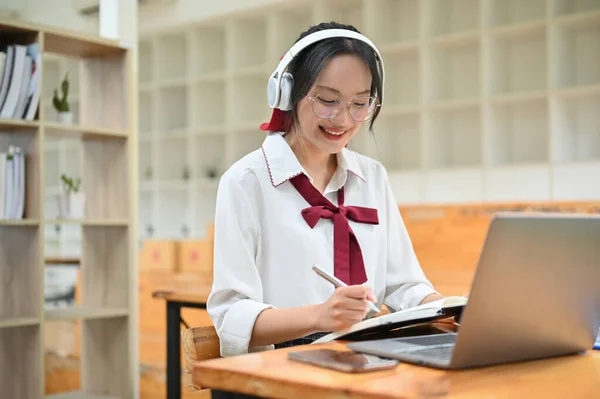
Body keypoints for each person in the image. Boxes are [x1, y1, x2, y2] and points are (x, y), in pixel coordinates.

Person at [206, 21, 446, 358]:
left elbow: (404, 285)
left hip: (364, 357)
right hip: (278, 365)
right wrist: (320, 315)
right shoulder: (246, 182)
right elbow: (232, 314)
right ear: (286, 92)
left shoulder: (372, 177)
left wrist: (452, 310)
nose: (343, 120)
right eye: (328, 100)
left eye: (359, 104)